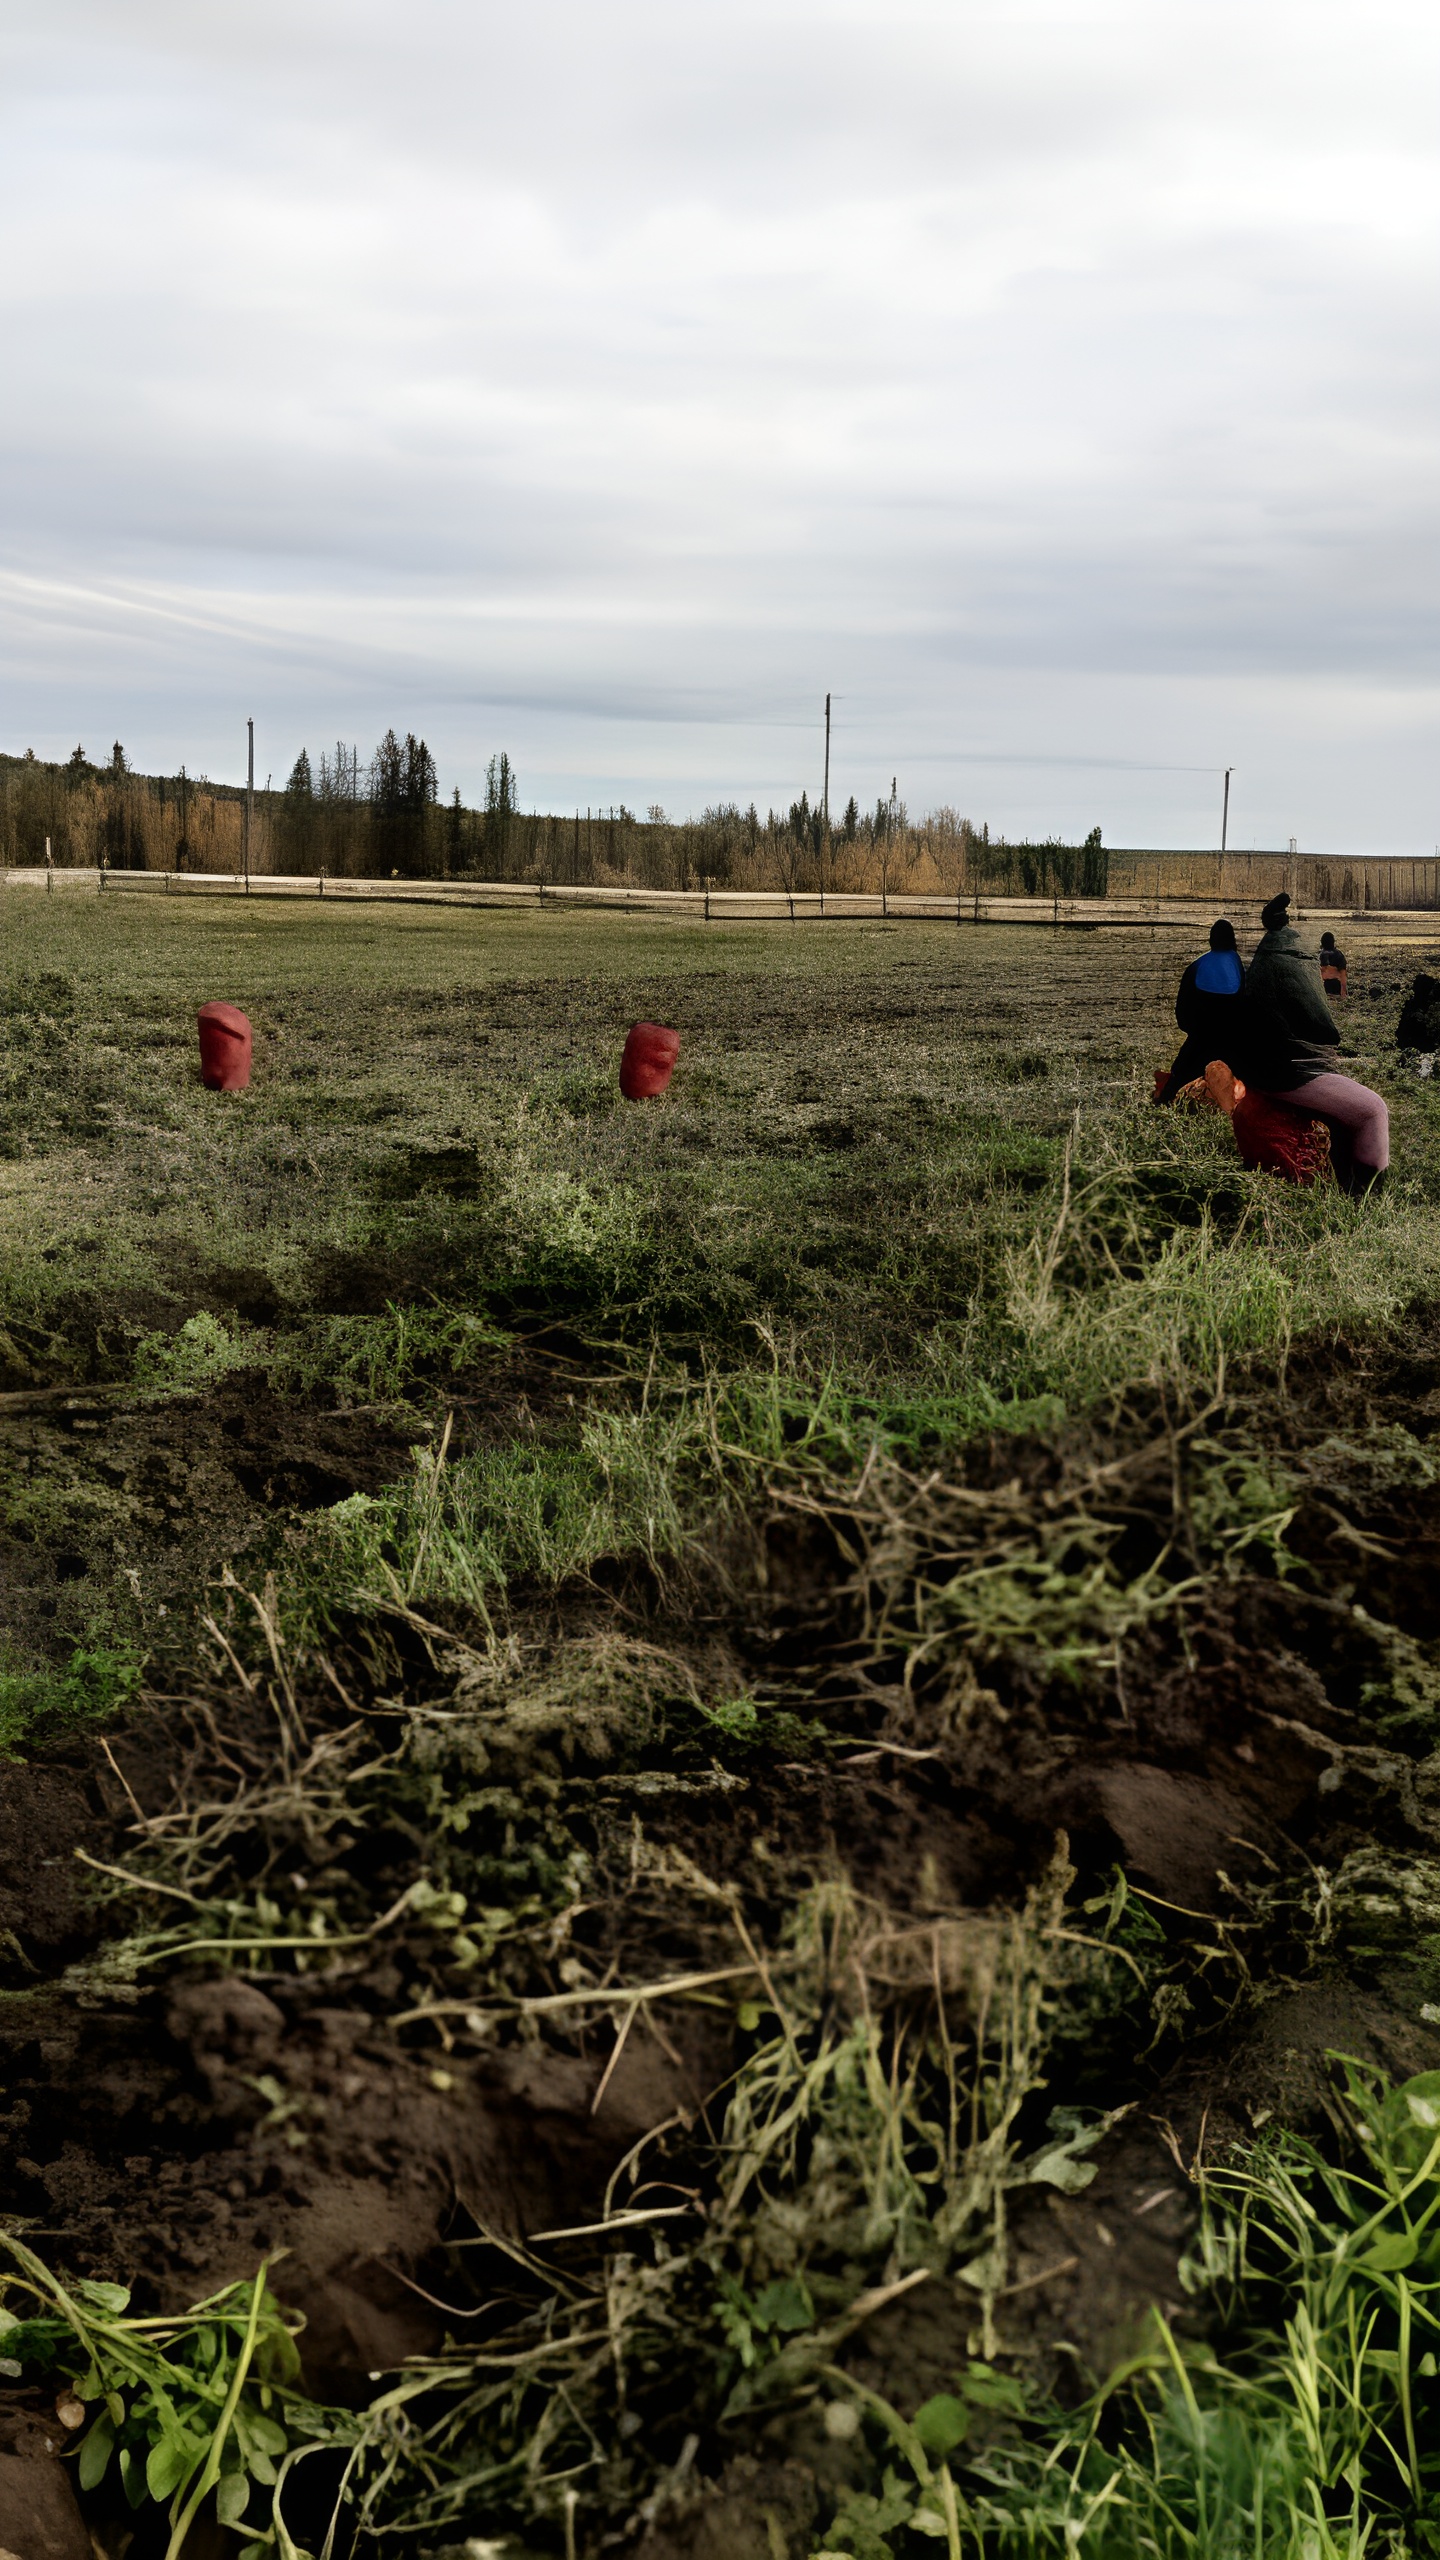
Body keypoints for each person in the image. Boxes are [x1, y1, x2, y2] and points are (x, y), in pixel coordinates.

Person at [1240, 893, 1387, 1195]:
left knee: (1344, 1113)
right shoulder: (1290, 964)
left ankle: (1344, 1178)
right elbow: (1324, 1030)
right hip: (1286, 1072)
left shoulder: (1261, 963)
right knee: (1373, 1110)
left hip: (1263, 1066)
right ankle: (1367, 1193)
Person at [1153, 919, 1245, 1103]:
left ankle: (1165, 1099)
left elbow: (1183, 1012)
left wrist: (1194, 1031)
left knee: (1177, 1081)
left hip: (1199, 1039)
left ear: (1211, 941)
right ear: (1232, 941)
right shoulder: (1238, 965)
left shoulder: (1196, 966)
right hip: (1231, 1041)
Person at [1318, 931, 1347, 1001]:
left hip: (1322, 988)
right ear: (1333, 942)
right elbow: (1343, 975)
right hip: (1336, 987)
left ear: (1322, 943)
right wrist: (1343, 993)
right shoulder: (1339, 955)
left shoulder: (1319, 955)